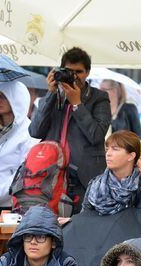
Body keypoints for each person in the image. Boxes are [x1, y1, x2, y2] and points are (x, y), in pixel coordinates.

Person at [29, 47, 110, 213]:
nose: (74, 76)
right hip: (52, 173)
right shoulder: (54, 96)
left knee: (81, 225)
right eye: (69, 71)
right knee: (51, 223)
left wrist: (77, 104)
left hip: (83, 177)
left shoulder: (99, 98)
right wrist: (51, 94)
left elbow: (96, 135)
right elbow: (35, 131)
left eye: (78, 72)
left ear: (87, 72)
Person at [0, 81, 37, 223]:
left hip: (14, 206)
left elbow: (23, 171)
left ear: (16, 99)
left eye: (3, 96)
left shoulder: (29, 132)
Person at [81, 130, 141, 220]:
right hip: (95, 228)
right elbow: (83, 217)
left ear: (131, 156)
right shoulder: (95, 183)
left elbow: (140, 222)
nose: (108, 154)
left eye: (115, 149)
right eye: (107, 150)